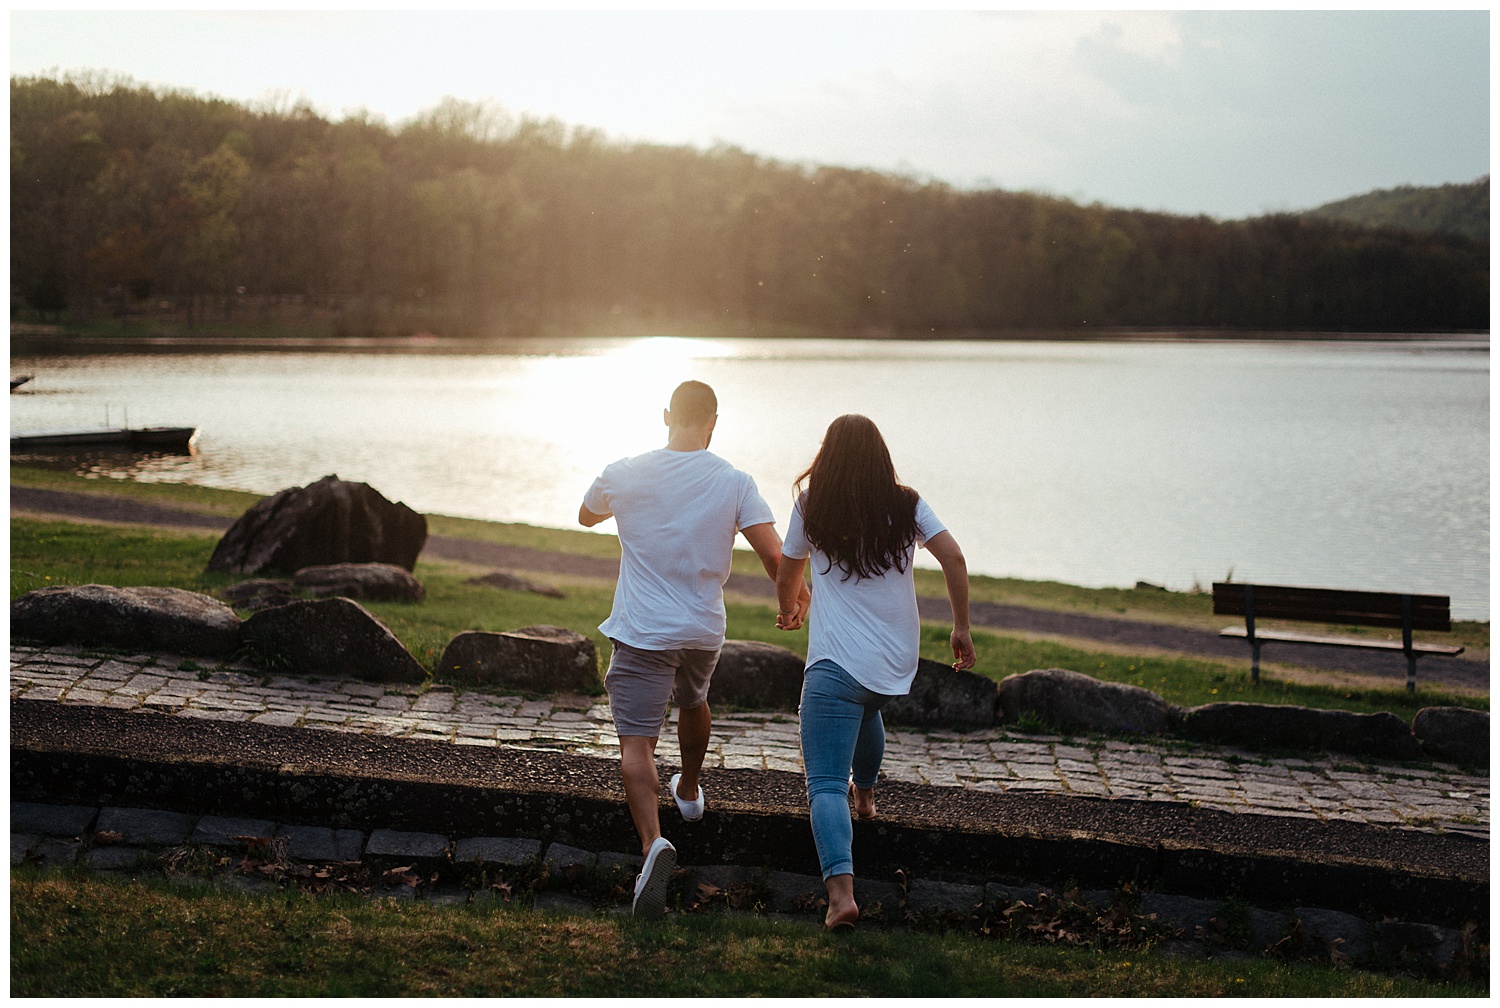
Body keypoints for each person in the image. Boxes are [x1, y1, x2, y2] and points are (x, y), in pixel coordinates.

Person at [580, 379, 808, 917]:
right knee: (693, 698)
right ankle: (688, 787)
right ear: (713, 421)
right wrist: (794, 603)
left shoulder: (624, 471)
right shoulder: (735, 481)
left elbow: (586, 516)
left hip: (642, 632)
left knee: (636, 744)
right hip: (702, 630)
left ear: (665, 415)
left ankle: (652, 845)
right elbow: (779, 560)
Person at [774, 413, 975, 930]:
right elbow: (953, 556)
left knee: (822, 784)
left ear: (828, 456)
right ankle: (865, 795)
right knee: (866, 709)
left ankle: (841, 896)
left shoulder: (811, 503)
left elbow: (788, 568)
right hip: (892, 666)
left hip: (838, 665)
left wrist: (791, 605)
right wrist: (961, 628)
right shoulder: (906, 503)